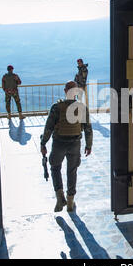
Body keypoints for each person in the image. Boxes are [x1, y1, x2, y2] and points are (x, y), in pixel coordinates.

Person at [40, 81, 93, 212]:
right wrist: (89, 145)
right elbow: (88, 128)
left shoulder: (57, 107)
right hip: (75, 144)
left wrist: (43, 143)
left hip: (59, 143)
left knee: (55, 168)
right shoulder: (82, 108)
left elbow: (49, 127)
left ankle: (59, 198)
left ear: (65, 91)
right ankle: (70, 201)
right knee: (72, 171)